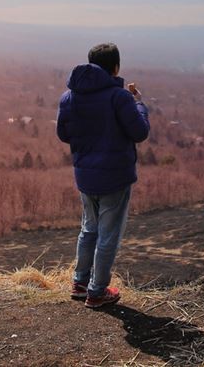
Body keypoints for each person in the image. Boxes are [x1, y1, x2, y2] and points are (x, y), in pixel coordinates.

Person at [56, 43, 150, 308]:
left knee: (89, 229)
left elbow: (64, 134)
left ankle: (80, 283)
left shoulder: (69, 97)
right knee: (108, 235)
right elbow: (139, 132)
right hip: (115, 177)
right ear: (115, 67)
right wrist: (140, 104)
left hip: (85, 175)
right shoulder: (118, 97)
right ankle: (97, 292)